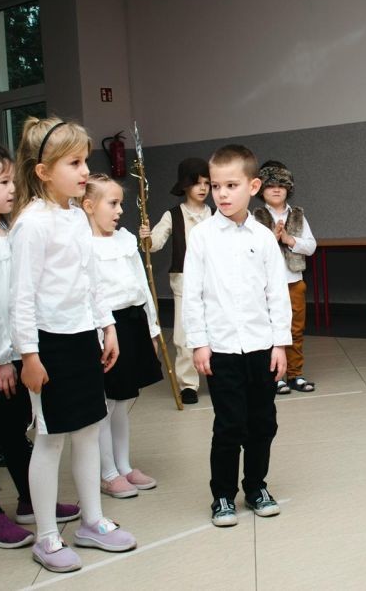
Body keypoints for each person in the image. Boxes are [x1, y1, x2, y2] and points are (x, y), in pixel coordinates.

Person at [9, 117, 136, 573]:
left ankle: (92, 521)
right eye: (75, 162)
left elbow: (90, 279)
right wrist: (28, 355)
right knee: (50, 438)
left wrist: (107, 326)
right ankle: (46, 536)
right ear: (43, 172)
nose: (86, 170)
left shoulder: (75, 216)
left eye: (86, 160)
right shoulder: (31, 225)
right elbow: (20, 297)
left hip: (84, 337)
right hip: (47, 346)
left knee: (88, 431)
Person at [0, 142, 81, 548]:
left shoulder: (4, 230)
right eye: (2, 181)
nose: (12, 189)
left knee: (13, 429)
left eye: (11, 180)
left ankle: (29, 500)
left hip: (7, 351)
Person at [183, 144, 291, 527]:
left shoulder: (263, 237)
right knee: (229, 425)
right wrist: (199, 342)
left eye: (231, 185)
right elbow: (192, 294)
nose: (222, 194)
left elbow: (277, 293)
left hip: (261, 348)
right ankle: (223, 496)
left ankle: (256, 486)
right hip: (223, 349)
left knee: (263, 422)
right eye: (216, 186)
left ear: (253, 185)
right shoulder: (202, 237)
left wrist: (280, 344)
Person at [82, 174, 163, 499]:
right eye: (112, 204)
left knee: (123, 400)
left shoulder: (126, 238)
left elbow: (141, 285)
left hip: (132, 322)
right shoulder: (83, 244)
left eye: (120, 204)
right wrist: (101, 331)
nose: (119, 211)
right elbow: (89, 293)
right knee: (105, 402)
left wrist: (153, 328)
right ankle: (108, 472)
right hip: (106, 328)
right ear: (88, 206)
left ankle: (124, 464)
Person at [140, 158, 211, 404]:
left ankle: (216, 375)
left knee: (215, 331)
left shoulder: (214, 214)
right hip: (183, 283)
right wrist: (147, 237)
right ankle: (188, 384)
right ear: (184, 186)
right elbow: (156, 243)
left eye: (207, 183)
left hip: (213, 283)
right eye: (196, 183)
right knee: (183, 336)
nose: (202, 188)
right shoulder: (173, 215)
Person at [253, 160, 318, 393]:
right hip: (267, 286)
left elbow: (311, 246)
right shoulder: (255, 217)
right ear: (261, 189)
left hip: (294, 282)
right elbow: (249, 251)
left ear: (288, 188)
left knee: (295, 329)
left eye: (282, 184)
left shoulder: (298, 215)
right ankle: (275, 376)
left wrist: (290, 240)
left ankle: (295, 374)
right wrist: (272, 237)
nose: (277, 189)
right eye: (270, 185)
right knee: (271, 331)